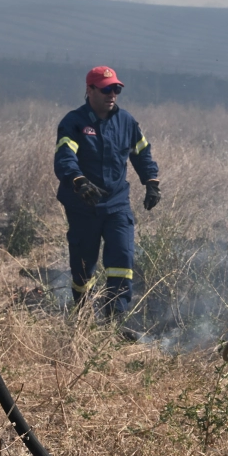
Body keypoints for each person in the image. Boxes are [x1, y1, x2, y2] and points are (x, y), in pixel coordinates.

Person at [53, 66, 160, 323]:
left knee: (122, 257)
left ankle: (116, 319)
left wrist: (151, 182)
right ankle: (82, 311)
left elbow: (142, 153)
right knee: (83, 266)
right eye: (106, 89)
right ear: (90, 90)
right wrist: (79, 182)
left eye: (117, 89)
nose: (113, 94)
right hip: (83, 205)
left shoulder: (127, 122)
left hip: (117, 204)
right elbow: (65, 156)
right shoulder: (75, 122)